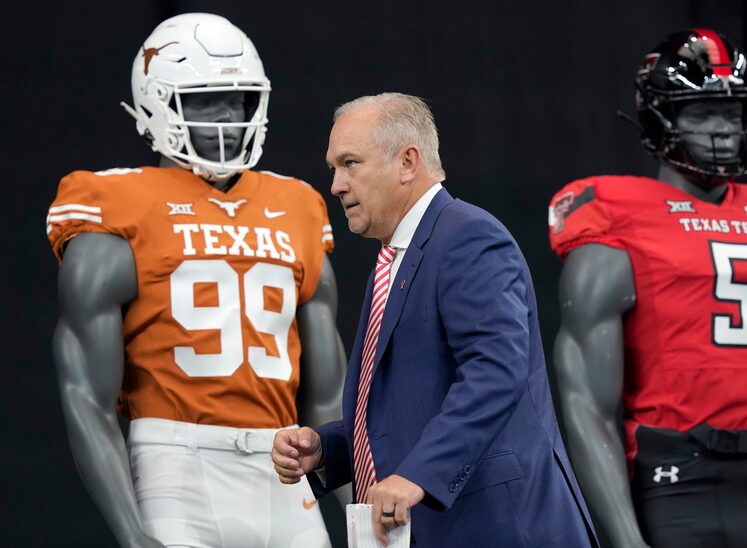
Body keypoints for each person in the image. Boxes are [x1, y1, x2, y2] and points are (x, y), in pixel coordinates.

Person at [47, 13, 345, 547]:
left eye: (241, 100)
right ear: (156, 103)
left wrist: (360, 511)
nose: (229, 116)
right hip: (175, 463)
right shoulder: (114, 202)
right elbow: (83, 395)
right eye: (206, 101)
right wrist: (132, 534)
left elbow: (330, 398)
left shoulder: (298, 204)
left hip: (287, 463)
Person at [271, 92, 597, 547]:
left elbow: (496, 372)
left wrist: (417, 475)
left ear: (408, 162)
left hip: (499, 528)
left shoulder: (468, 237)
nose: (337, 185)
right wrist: (328, 448)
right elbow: (409, 409)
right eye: (334, 168)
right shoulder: (393, 260)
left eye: (350, 164)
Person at [550, 28, 747, 547]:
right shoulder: (614, 218)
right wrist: (627, 539)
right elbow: (587, 407)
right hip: (677, 481)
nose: (722, 130)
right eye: (700, 114)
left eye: (733, 113)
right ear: (661, 118)